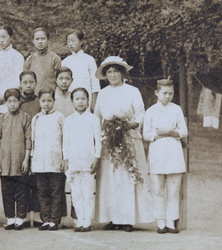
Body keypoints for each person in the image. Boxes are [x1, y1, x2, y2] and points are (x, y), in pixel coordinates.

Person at [94, 56, 153, 232]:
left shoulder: (132, 91)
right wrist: (107, 132)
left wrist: (127, 126)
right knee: (110, 178)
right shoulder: (103, 94)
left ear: (122, 73)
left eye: (115, 71)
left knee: (127, 178)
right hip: (110, 142)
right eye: (109, 72)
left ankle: (127, 219)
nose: (112, 75)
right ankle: (112, 218)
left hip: (128, 139)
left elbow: (141, 114)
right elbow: (97, 117)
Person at [143, 79, 188, 234]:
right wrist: (158, 134)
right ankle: (160, 222)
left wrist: (170, 132)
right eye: (165, 93)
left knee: (174, 190)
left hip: (174, 152)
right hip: (157, 152)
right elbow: (146, 134)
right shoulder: (150, 111)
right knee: (158, 189)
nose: (168, 96)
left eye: (171, 93)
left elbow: (184, 131)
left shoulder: (176, 110)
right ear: (156, 93)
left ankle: (171, 221)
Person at [63, 88, 101, 232]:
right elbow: (65, 142)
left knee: (88, 192)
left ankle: (87, 220)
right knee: (76, 193)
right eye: (77, 99)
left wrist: (97, 157)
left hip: (88, 161)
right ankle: (79, 219)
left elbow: (98, 140)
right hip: (74, 161)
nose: (80, 101)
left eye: (83, 98)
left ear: (88, 101)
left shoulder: (93, 119)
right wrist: (66, 159)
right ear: (72, 101)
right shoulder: (69, 120)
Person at [0, 88, 31, 230]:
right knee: (7, 192)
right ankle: (10, 218)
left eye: (15, 101)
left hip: (19, 160)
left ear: (20, 102)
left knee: (21, 192)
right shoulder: (2, 118)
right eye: (9, 102)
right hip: (4, 162)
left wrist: (26, 159)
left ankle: (20, 218)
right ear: (6, 103)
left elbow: (28, 139)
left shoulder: (25, 117)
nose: (12, 104)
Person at [31, 87, 66, 231]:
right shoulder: (36, 118)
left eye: (49, 100)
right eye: (43, 101)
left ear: (53, 101)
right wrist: (33, 160)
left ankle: (54, 219)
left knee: (56, 192)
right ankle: (45, 219)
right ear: (39, 101)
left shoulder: (59, 117)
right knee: (42, 192)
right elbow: (33, 141)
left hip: (55, 160)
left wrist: (64, 158)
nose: (46, 103)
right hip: (40, 161)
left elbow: (64, 139)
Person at [0, 25, 24, 121]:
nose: (1, 40)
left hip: (10, 99)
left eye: (4, 37)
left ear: (11, 38)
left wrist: (6, 96)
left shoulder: (17, 56)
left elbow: (18, 79)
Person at [19, 70, 42, 227]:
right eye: (25, 82)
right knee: (23, 181)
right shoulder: (17, 102)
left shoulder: (40, 101)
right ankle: (25, 215)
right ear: (20, 84)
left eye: (31, 82)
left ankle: (39, 215)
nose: (28, 85)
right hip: (21, 146)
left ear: (35, 83)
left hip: (38, 144)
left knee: (37, 181)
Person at [62, 29, 100, 112]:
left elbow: (95, 83)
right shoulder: (65, 61)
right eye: (68, 41)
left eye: (73, 41)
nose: (70, 44)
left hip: (86, 99)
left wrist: (93, 103)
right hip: (70, 100)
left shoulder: (89, 59)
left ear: (81, 41)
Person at [24, 27, 61, 94]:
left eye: (43, 38)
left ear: (48, 40)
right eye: (37, 39)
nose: (40, 42)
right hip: (34, 97)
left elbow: (60, 80)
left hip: (50, 97)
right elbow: (25, 81)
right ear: (33, 41)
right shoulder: (29, 59)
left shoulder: (55, 58)